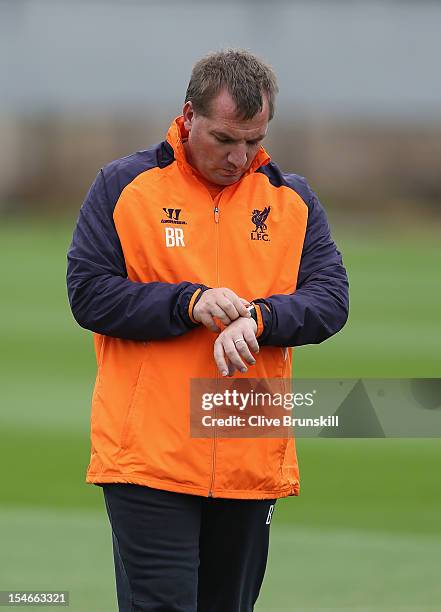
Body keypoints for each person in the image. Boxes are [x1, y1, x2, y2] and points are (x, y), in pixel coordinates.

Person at [67, 49, 349, 612]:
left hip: (248, 449)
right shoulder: (126, 186)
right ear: (188, 115)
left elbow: (331, 300)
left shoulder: (291, 199)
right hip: (150, 457)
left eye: (253, 139)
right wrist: (189, 303)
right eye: (224, 139)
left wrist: (259, 318)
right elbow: (90, 293)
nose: (239, 156)